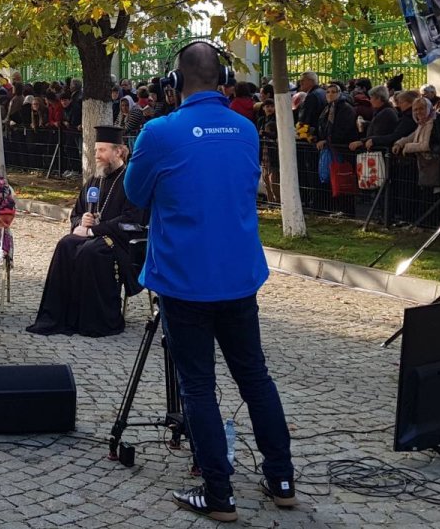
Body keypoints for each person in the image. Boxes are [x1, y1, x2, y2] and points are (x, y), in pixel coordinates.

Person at [125, 41, 297, 522]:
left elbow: (136, 192)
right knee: (255, 377)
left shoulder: (159, 132)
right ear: (222, 80)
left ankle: (219, 494)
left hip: (185, 280)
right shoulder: (244, 129)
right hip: (239, 277)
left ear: (174, 84)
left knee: (198, 386)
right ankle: (281, 478)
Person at [27, 125, 145, 337]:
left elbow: (131, 220)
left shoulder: (131, 181)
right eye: (95, 150)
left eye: (102, 150)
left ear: (118, 151)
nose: (96, 155)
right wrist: (82, 222)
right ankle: (61, 316)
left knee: (89, 252)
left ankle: (95, 320)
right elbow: (75, 213)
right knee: (65, 244)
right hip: (93, 237)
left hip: (120, 244)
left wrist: (95, 230)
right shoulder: (94, 181)